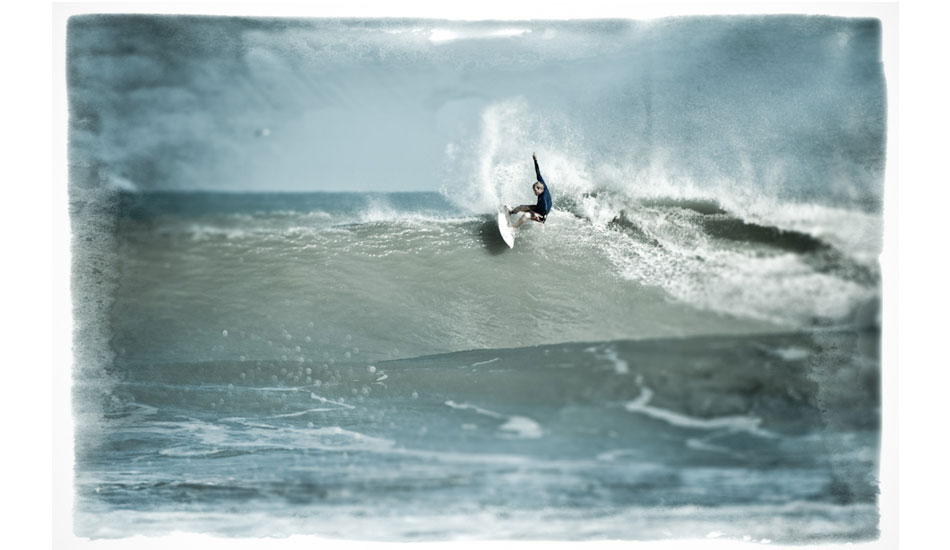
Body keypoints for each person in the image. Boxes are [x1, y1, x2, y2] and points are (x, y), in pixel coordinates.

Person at [507, 153, 552, 228]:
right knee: (521, 207)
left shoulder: (544, 200)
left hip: (542, 215)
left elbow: (545, 211)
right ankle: (511, 212)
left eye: (535, 190)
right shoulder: (542, 184)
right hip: (538, 208)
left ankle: (512, 228)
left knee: (526, 215)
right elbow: (538, 172)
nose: (534, 192)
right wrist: (535, 160)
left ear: (539, 189)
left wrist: (540, 219)